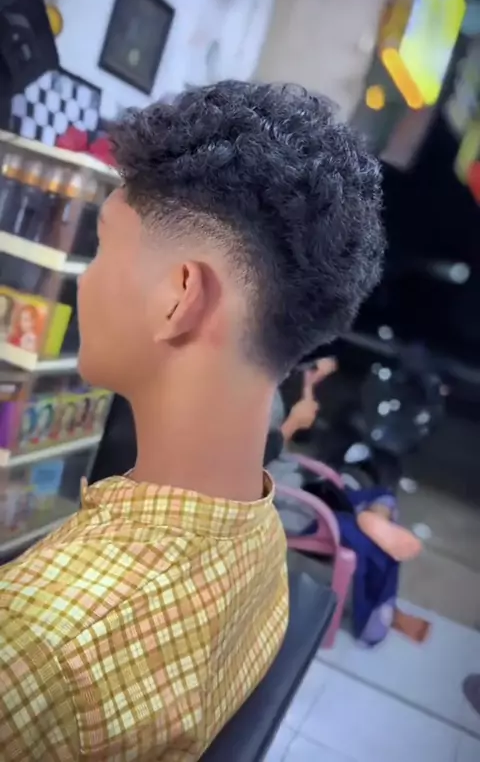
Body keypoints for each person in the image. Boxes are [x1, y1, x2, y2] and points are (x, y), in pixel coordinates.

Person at [0, 81, 384, 761]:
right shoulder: (261, 534)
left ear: (180, 296)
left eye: (102, 245)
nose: (86, 278)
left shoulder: (36, 641)